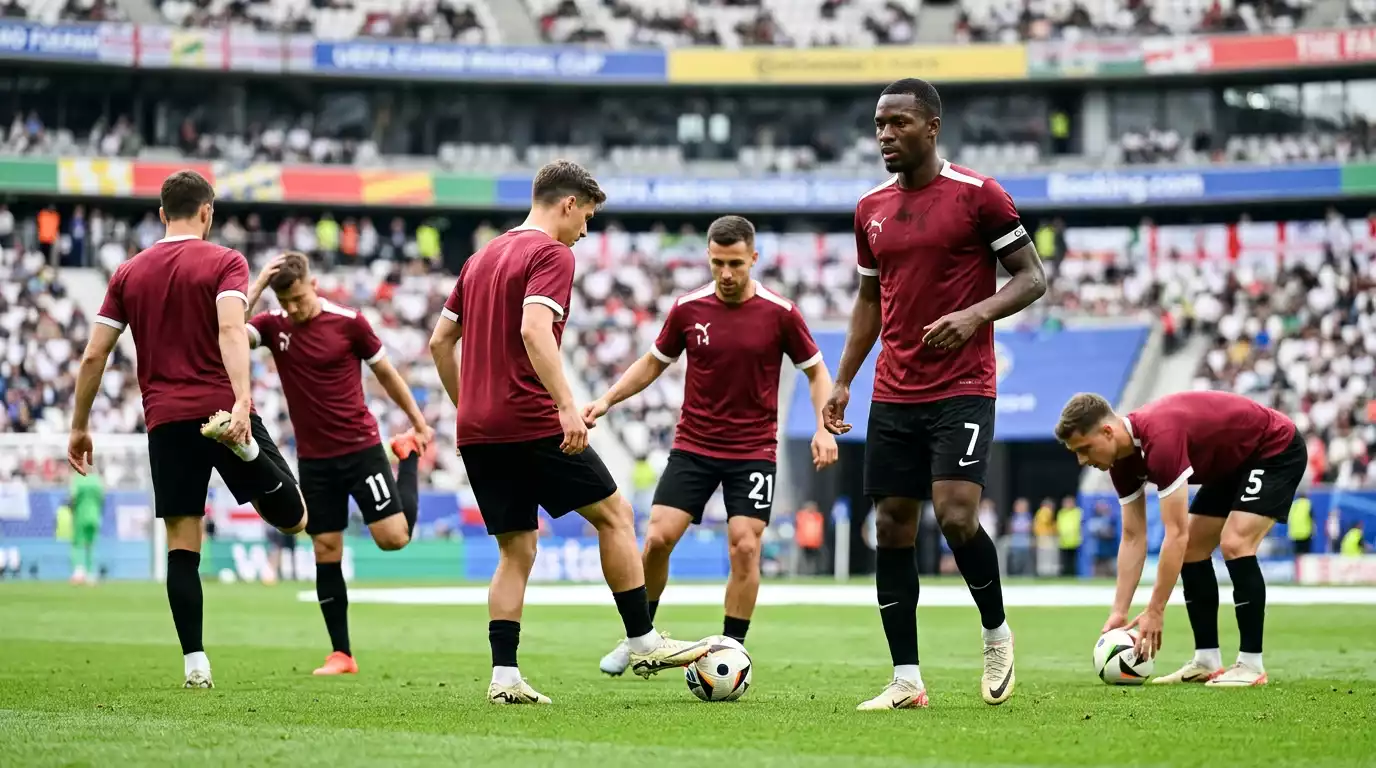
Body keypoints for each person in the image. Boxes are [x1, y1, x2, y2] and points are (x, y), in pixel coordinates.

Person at [427, 160, 709, 705]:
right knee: (616, 515)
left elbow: (441, 341)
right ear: (568, 204)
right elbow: (535, 330)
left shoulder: (480, 257)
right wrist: (565, 408)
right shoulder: (551, 253)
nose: (585, 232)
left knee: (516, 551)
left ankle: (504, 675)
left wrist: (469, 407)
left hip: (478, 429)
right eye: (587, 219)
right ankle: (642, 638)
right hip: (529, 417)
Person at [822, 78, 1047, 710]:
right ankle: (906, 679)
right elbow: (870, 299)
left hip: (963, 386)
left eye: (898, 123)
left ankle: (996, 632)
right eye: (878, 125)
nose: (885, 135)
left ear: (932, 127)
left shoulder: (980, 196)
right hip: (894, 391)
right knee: (891, 526)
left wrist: (975, 316)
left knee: (954, 516)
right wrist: (843, 379)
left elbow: (1032, 278)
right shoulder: (869, 208)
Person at [69, 169, 307, 689]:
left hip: (166, 421)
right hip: (221, 411)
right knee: (294, 519)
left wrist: (79, 426)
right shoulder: (225, 260)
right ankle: (246, 456)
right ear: (208, 212)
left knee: (182, 542)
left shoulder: (128, 272)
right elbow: (229, 326)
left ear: (161, 214)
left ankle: (195, 663)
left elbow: (94, 356)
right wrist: (243, 400)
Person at [585, 215, 839, 676]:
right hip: (694, 445)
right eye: (718, 263)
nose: (726, 274)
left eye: (736, 264)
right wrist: (606, 400)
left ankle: (730, 649)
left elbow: (817, 371)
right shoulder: (688, 308)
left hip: (753, 450)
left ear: (753, 259)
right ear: (708, 256)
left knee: (745, 546)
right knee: (658, 538)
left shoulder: (781, 313)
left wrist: (823, 427)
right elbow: (652, 363)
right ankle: (639, 638)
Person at [245, 250, 433, 676]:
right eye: (285, 301)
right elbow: (229, 335)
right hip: (314, 460)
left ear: (313, 284)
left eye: (298, 298)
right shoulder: (273, 326)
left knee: (393, 539)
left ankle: (408, 457)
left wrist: (417, 424)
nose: (293, 308)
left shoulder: (350, 322)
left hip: (361, 449)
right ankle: (341, 654)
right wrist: (256, 287)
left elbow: (387, 374)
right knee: (325, 548)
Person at [1055, 390, 1308, 688]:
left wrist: (1155, 610)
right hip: (1231, 463)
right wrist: (1119, 612)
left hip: (1273, 447)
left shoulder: (1159, 440)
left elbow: (1175, 533)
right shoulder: (1120, 461)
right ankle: (1206, 660)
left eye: (1084, 448)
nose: (1082, 460)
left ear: (1108, 431)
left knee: (1235, 542)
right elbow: (1133, 536)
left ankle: (1251, 665)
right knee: (1193, 550)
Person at [69, 468, 104, 585]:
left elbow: (73, 497)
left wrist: (72, 508)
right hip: (94, 516)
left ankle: (79, 572)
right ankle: (90, 574)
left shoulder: (77, 479)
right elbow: (101, 498)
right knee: (90, 545)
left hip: (81, 515)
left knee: (77, 544)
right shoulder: (97, 480)